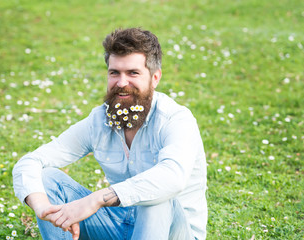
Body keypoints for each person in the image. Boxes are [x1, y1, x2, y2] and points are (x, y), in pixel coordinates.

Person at [13, 27, 207, 240]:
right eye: (115, 72)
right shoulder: (100, 120)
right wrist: (42, 207)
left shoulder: (176, 119)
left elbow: (172, 178)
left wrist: (97, 199)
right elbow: (31, 161)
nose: (122, 83)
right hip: (120, 225)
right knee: (46, 178)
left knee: (156, 197)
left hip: (175, 232)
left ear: (155, 78)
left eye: (133, 73)